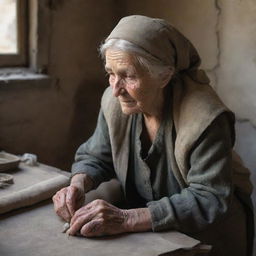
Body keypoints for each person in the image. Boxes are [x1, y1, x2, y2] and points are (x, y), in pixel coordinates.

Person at [52, 15, 254, 256]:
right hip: (153, 227)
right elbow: (97, 155)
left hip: (210, 231)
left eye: (128, 75)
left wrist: (126, 218)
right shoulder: (114, 102)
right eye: (110, 73)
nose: (116, 89)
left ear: (164, 75)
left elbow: (208, 197)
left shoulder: (205, 118)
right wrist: (77, 184)